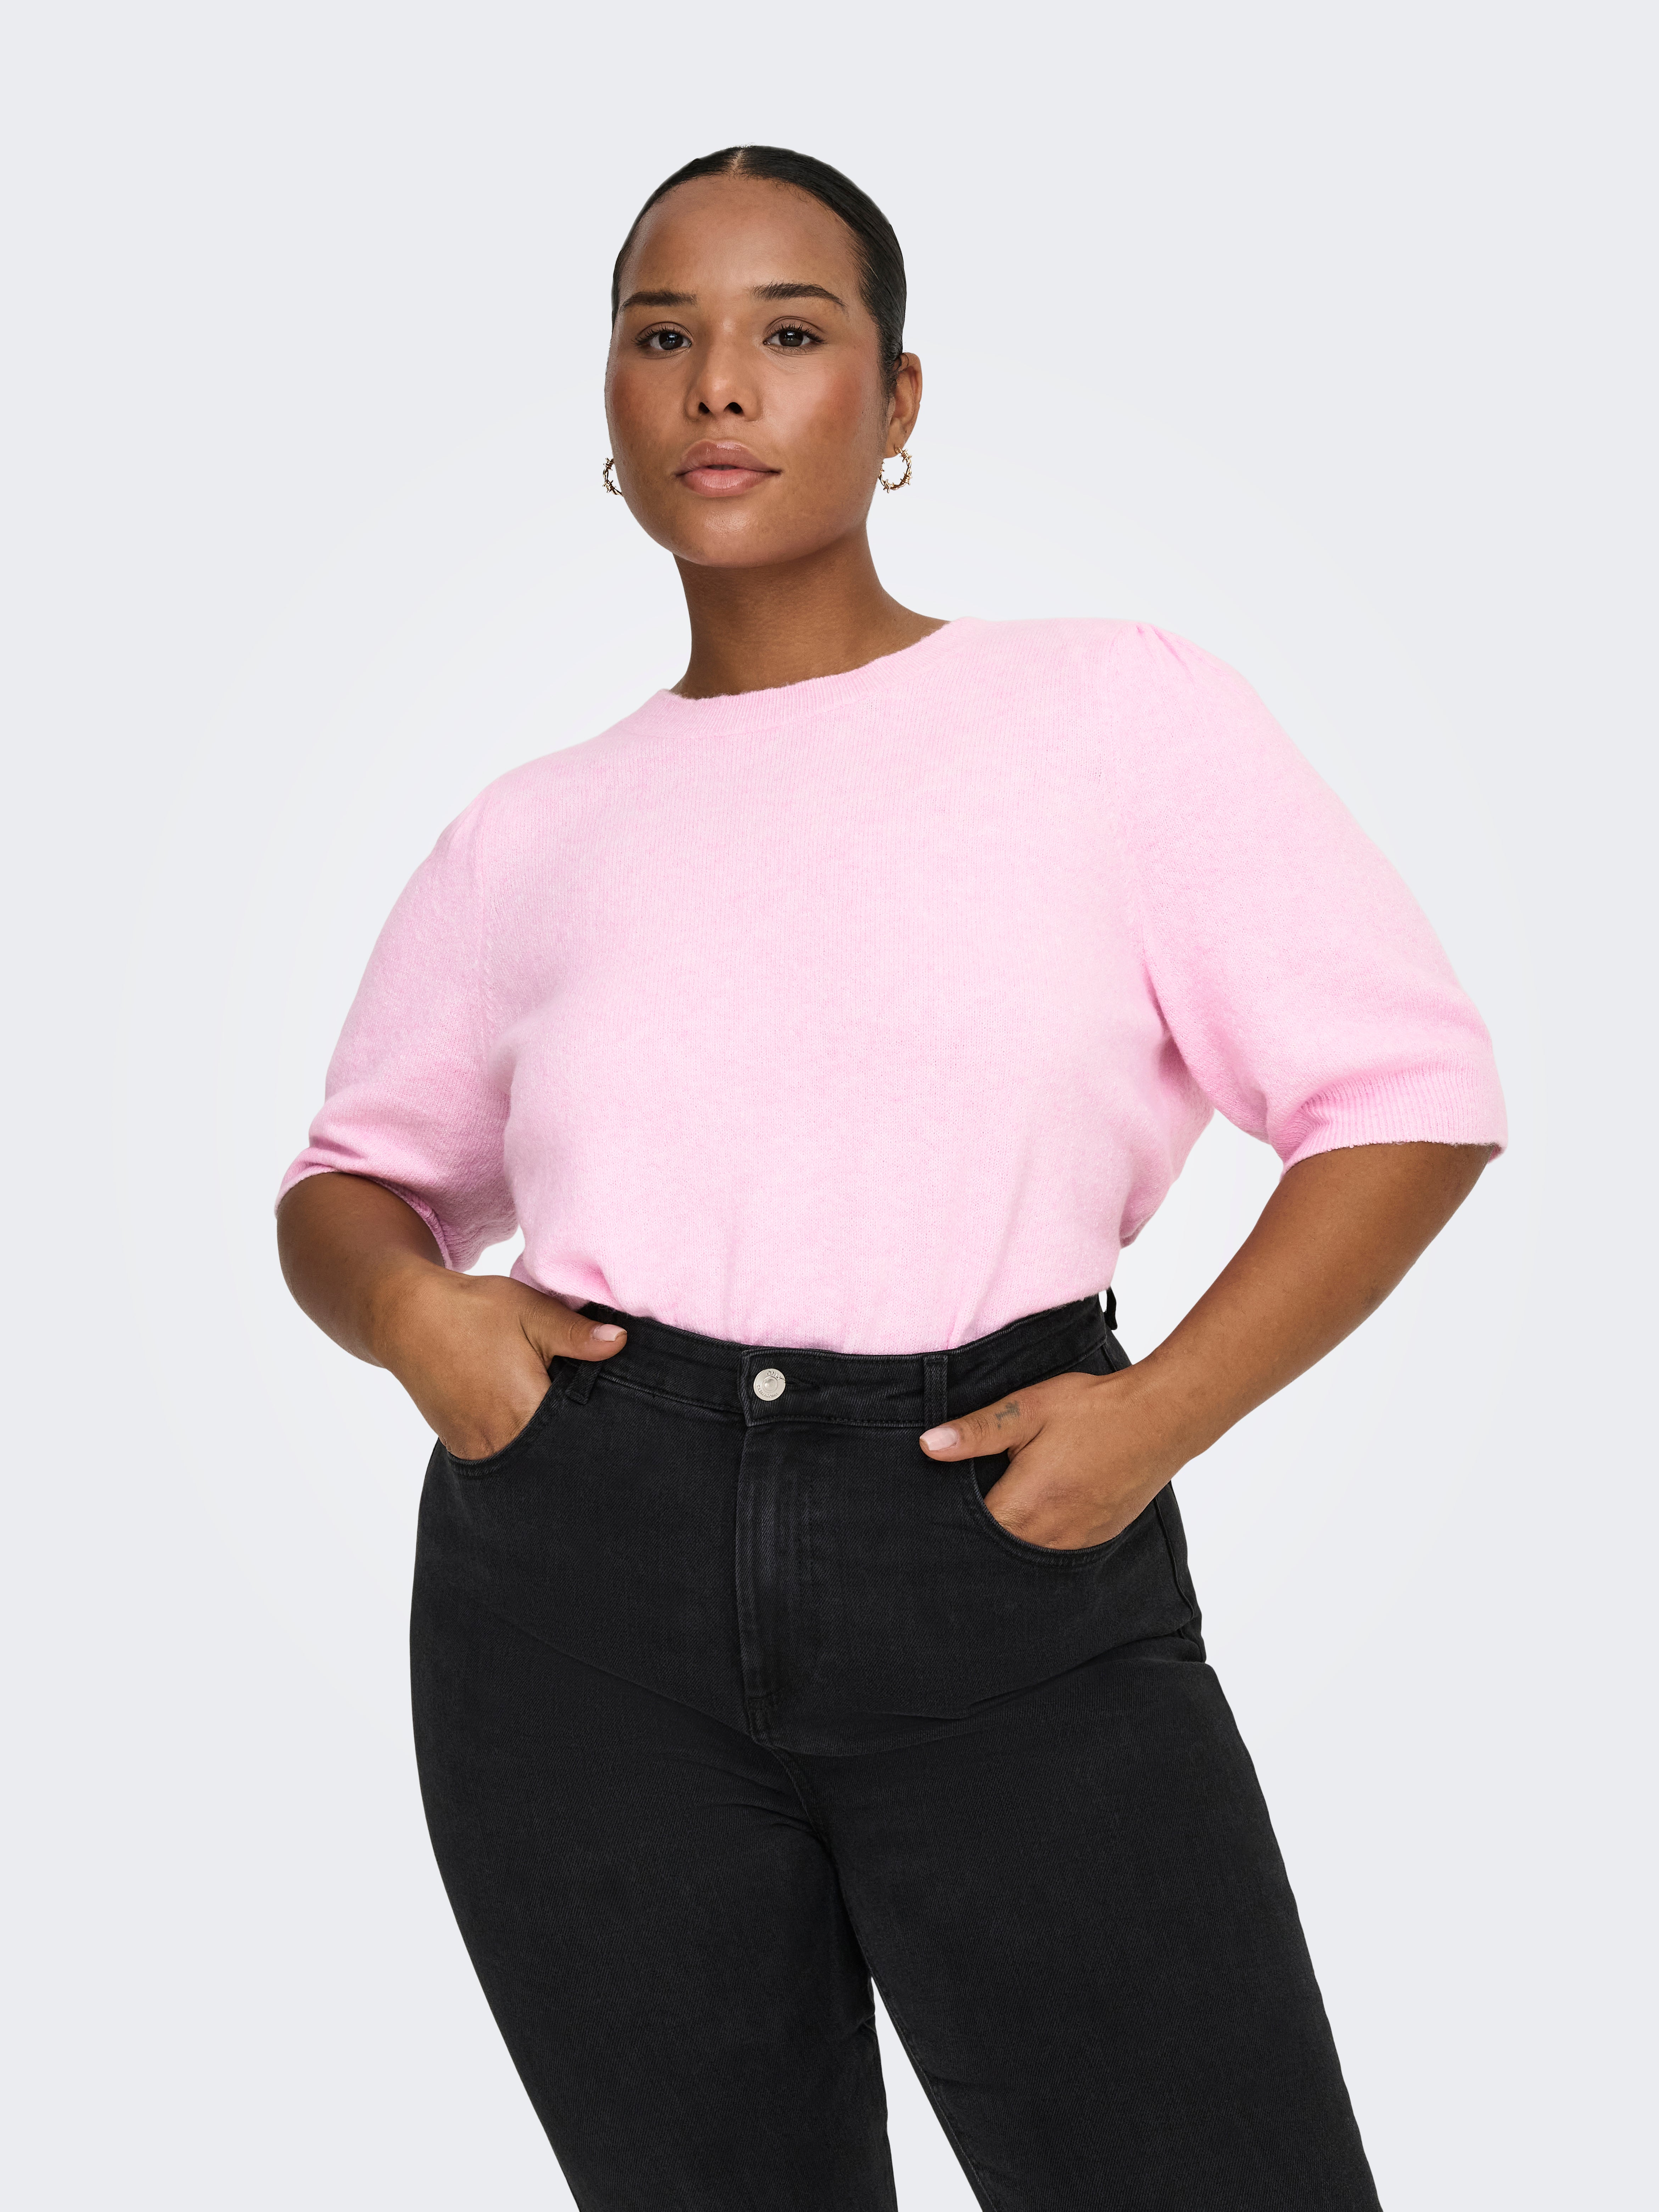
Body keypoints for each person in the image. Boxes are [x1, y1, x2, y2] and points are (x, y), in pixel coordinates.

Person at [275, 144, 1505, 2212]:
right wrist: (415, 1315)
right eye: (662, 335)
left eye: (790, 330)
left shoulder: (1108, 711)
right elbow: (347, 1182)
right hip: (576, 1598)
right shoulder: (530, 834)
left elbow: (1410, 1096)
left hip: (996, 1538)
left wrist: (1153, 1424)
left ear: (900, 396)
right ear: (610, 402)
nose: (719, 384)